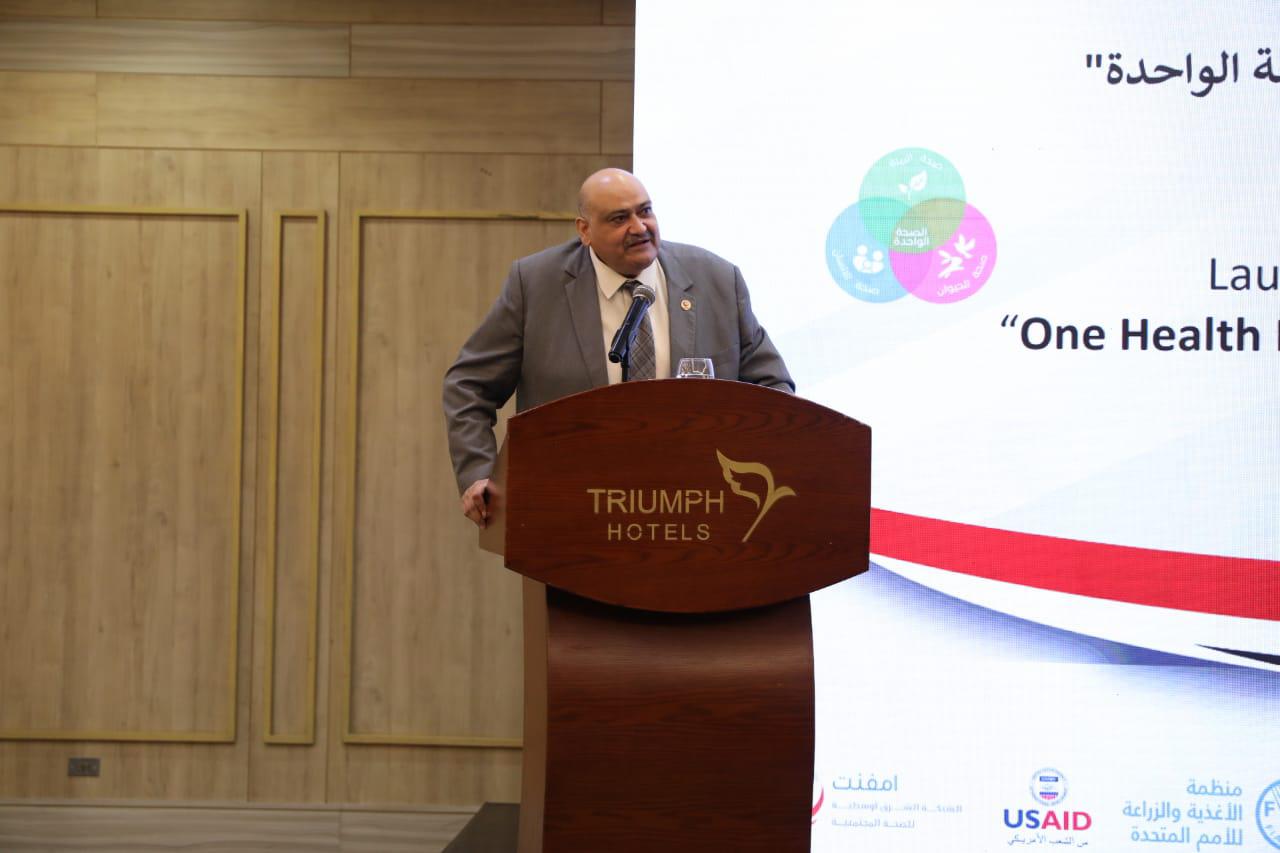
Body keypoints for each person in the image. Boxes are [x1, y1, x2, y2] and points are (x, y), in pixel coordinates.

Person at [442, 168, 793, 527]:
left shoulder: (716, 279)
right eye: (619, 218)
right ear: (584, 230)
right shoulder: (536, 285)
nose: (639, 227)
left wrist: (755, 467)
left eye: (645, 211)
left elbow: (773, 386)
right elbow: (469, 384)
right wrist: (479, 474)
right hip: (569, 513)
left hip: (699, 512)